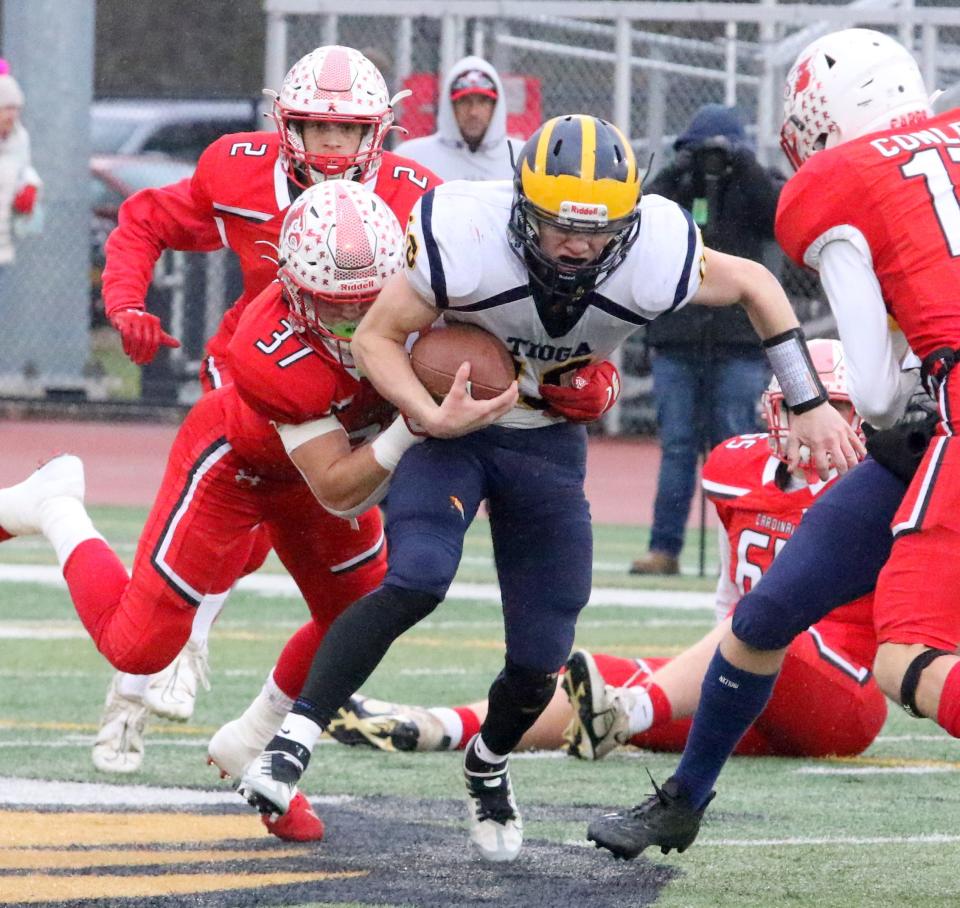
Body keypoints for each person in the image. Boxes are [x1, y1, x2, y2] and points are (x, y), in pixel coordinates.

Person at [232, 113, 862, 864]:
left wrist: (807, 397)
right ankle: (290, 744)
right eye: (559, 225)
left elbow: (758, 282)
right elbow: (373, 335)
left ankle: (488, 762)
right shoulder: (465, 231)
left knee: (542, 653)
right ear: (520, 204)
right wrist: (429, 413)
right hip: (458, 434)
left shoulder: (655, 253)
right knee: (417, 576)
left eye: (597, 232)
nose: (576, 245)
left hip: (547, 446)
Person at [586, 27, 960, 862]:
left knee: (909, 656)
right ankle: (684, 798)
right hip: (925, 437)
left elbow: (872, 392)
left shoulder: (846, 182)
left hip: (939, 424)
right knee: (761, 617)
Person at [0, 180, 428, 844]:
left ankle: (256, 740)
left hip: (333, 466)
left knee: (365, 613)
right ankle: (56, 505)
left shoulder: (430, 289)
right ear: (292, 286)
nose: (353, 326)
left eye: (369, 306)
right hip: (242, 465)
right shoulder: (270, 344)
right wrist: (417, 425)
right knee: (138, 648)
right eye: (332, 309)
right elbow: (338, 486)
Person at [94, 44, 440, 760]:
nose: (335, 143)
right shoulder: (239, 172)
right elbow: (149, 220)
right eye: (318, 127)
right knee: (239, 537)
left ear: (379, 131)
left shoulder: (420, 199)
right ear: (287, 127)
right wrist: (126, 301)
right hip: (264, 370)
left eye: (349, 129)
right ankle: (167, 649)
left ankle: (249, 727)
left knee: (361, 600)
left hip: (359, 395)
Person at [323, 340, 886, 762]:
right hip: (758, 684)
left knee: (762, 618)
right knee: (598, 676)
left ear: (860, 415)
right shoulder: (735, 470)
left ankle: (631, 713)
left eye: (832, 406)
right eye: (797, 405)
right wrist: (724, 677)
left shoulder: (876, 491)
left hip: (842, 694)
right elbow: (727, 597)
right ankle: (438, 726)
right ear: (772, 410)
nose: (813, 422)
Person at [630, 104, 782, 576]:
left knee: (736, 445)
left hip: (737, 340)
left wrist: (745, 164)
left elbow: (778, 215)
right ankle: (665, 548)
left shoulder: (753, 186)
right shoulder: (676, 188)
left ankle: (738, 547)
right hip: (677, 338)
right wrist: (683, 167)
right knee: (677, 446)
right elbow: (637, 216)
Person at [393, 55, 517, 181]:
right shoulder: (412, 158)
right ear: (450, 106)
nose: (473, 112)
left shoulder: (522, 159)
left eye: (483, 101)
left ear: (496, 106)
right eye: (464, 101)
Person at [0, 71, 41, 278]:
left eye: (16, 108)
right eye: (7, 108)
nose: (12, 115)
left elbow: (23, 170)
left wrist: (30, 188)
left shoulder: (20, 139)